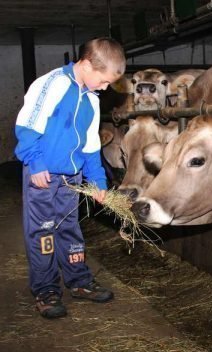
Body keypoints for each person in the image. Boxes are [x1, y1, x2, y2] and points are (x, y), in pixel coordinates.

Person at [14, 37, 126, 319]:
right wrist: (36, 162)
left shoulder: (91, 98)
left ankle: (78, 281)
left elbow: (90, 145)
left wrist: (98, 181)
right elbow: (27, 126)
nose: (104, 88)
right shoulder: (51, 85)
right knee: (43, 232)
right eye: (102, 81)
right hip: (43, 175)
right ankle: (46, 289)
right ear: (87, 64)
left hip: (72, 177)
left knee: (69, 228)